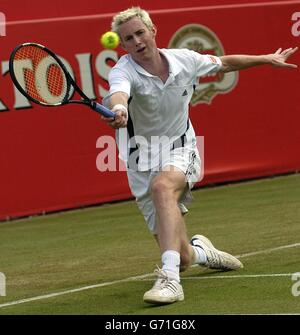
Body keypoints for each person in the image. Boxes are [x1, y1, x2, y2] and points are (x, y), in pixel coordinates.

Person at [101, 7, 298, 305]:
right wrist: (120, 109)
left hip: (182, 147)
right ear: (123, 45)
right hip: (141, 161)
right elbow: (119, 93)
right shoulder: (122, 71)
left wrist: (266, 59)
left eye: (140, 33)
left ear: (153, 31)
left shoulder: (185, 60)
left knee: (163, 187)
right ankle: (201, 252)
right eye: (129, 38)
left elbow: (224, 63)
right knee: (182, 257)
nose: (137, 41)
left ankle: (169, 281)